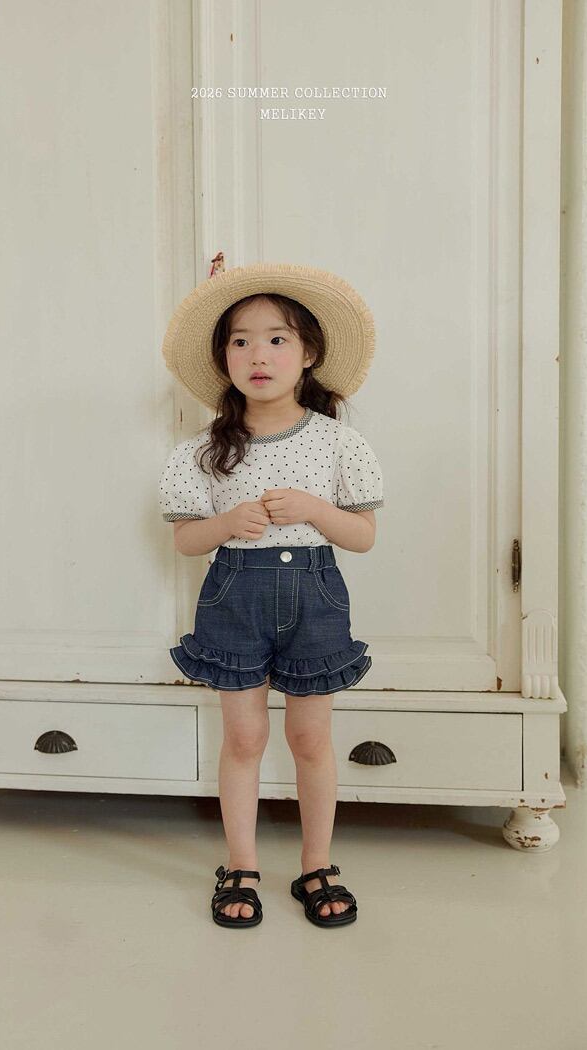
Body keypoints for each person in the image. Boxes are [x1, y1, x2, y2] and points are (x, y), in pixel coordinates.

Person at [158, 260, 385, 929]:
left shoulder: (338, 442)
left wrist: (315, 509)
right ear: (224, 357)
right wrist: (227, 523)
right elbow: (186, 541)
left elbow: (363, 536)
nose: (258, 354)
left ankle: (317, 863)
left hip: (316, 597)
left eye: (277, 339)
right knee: (244, 737)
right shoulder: (205, 450)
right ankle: (241, 863)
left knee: (311, 739)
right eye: (241, 340)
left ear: (308, 353)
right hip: (234, 597)